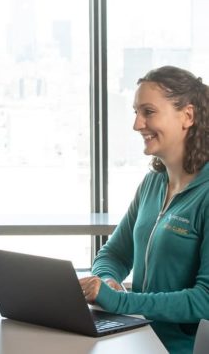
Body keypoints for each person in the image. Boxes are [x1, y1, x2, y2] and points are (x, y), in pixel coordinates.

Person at [79, 66, 209, 354]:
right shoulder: (153, 184)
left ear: (188, 116)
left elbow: (206, 300)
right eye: (136, 112)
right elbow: (113, 254)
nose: (137, 124)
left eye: (148, 112)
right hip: (137, 339)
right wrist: (107, 280)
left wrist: (120, 302)